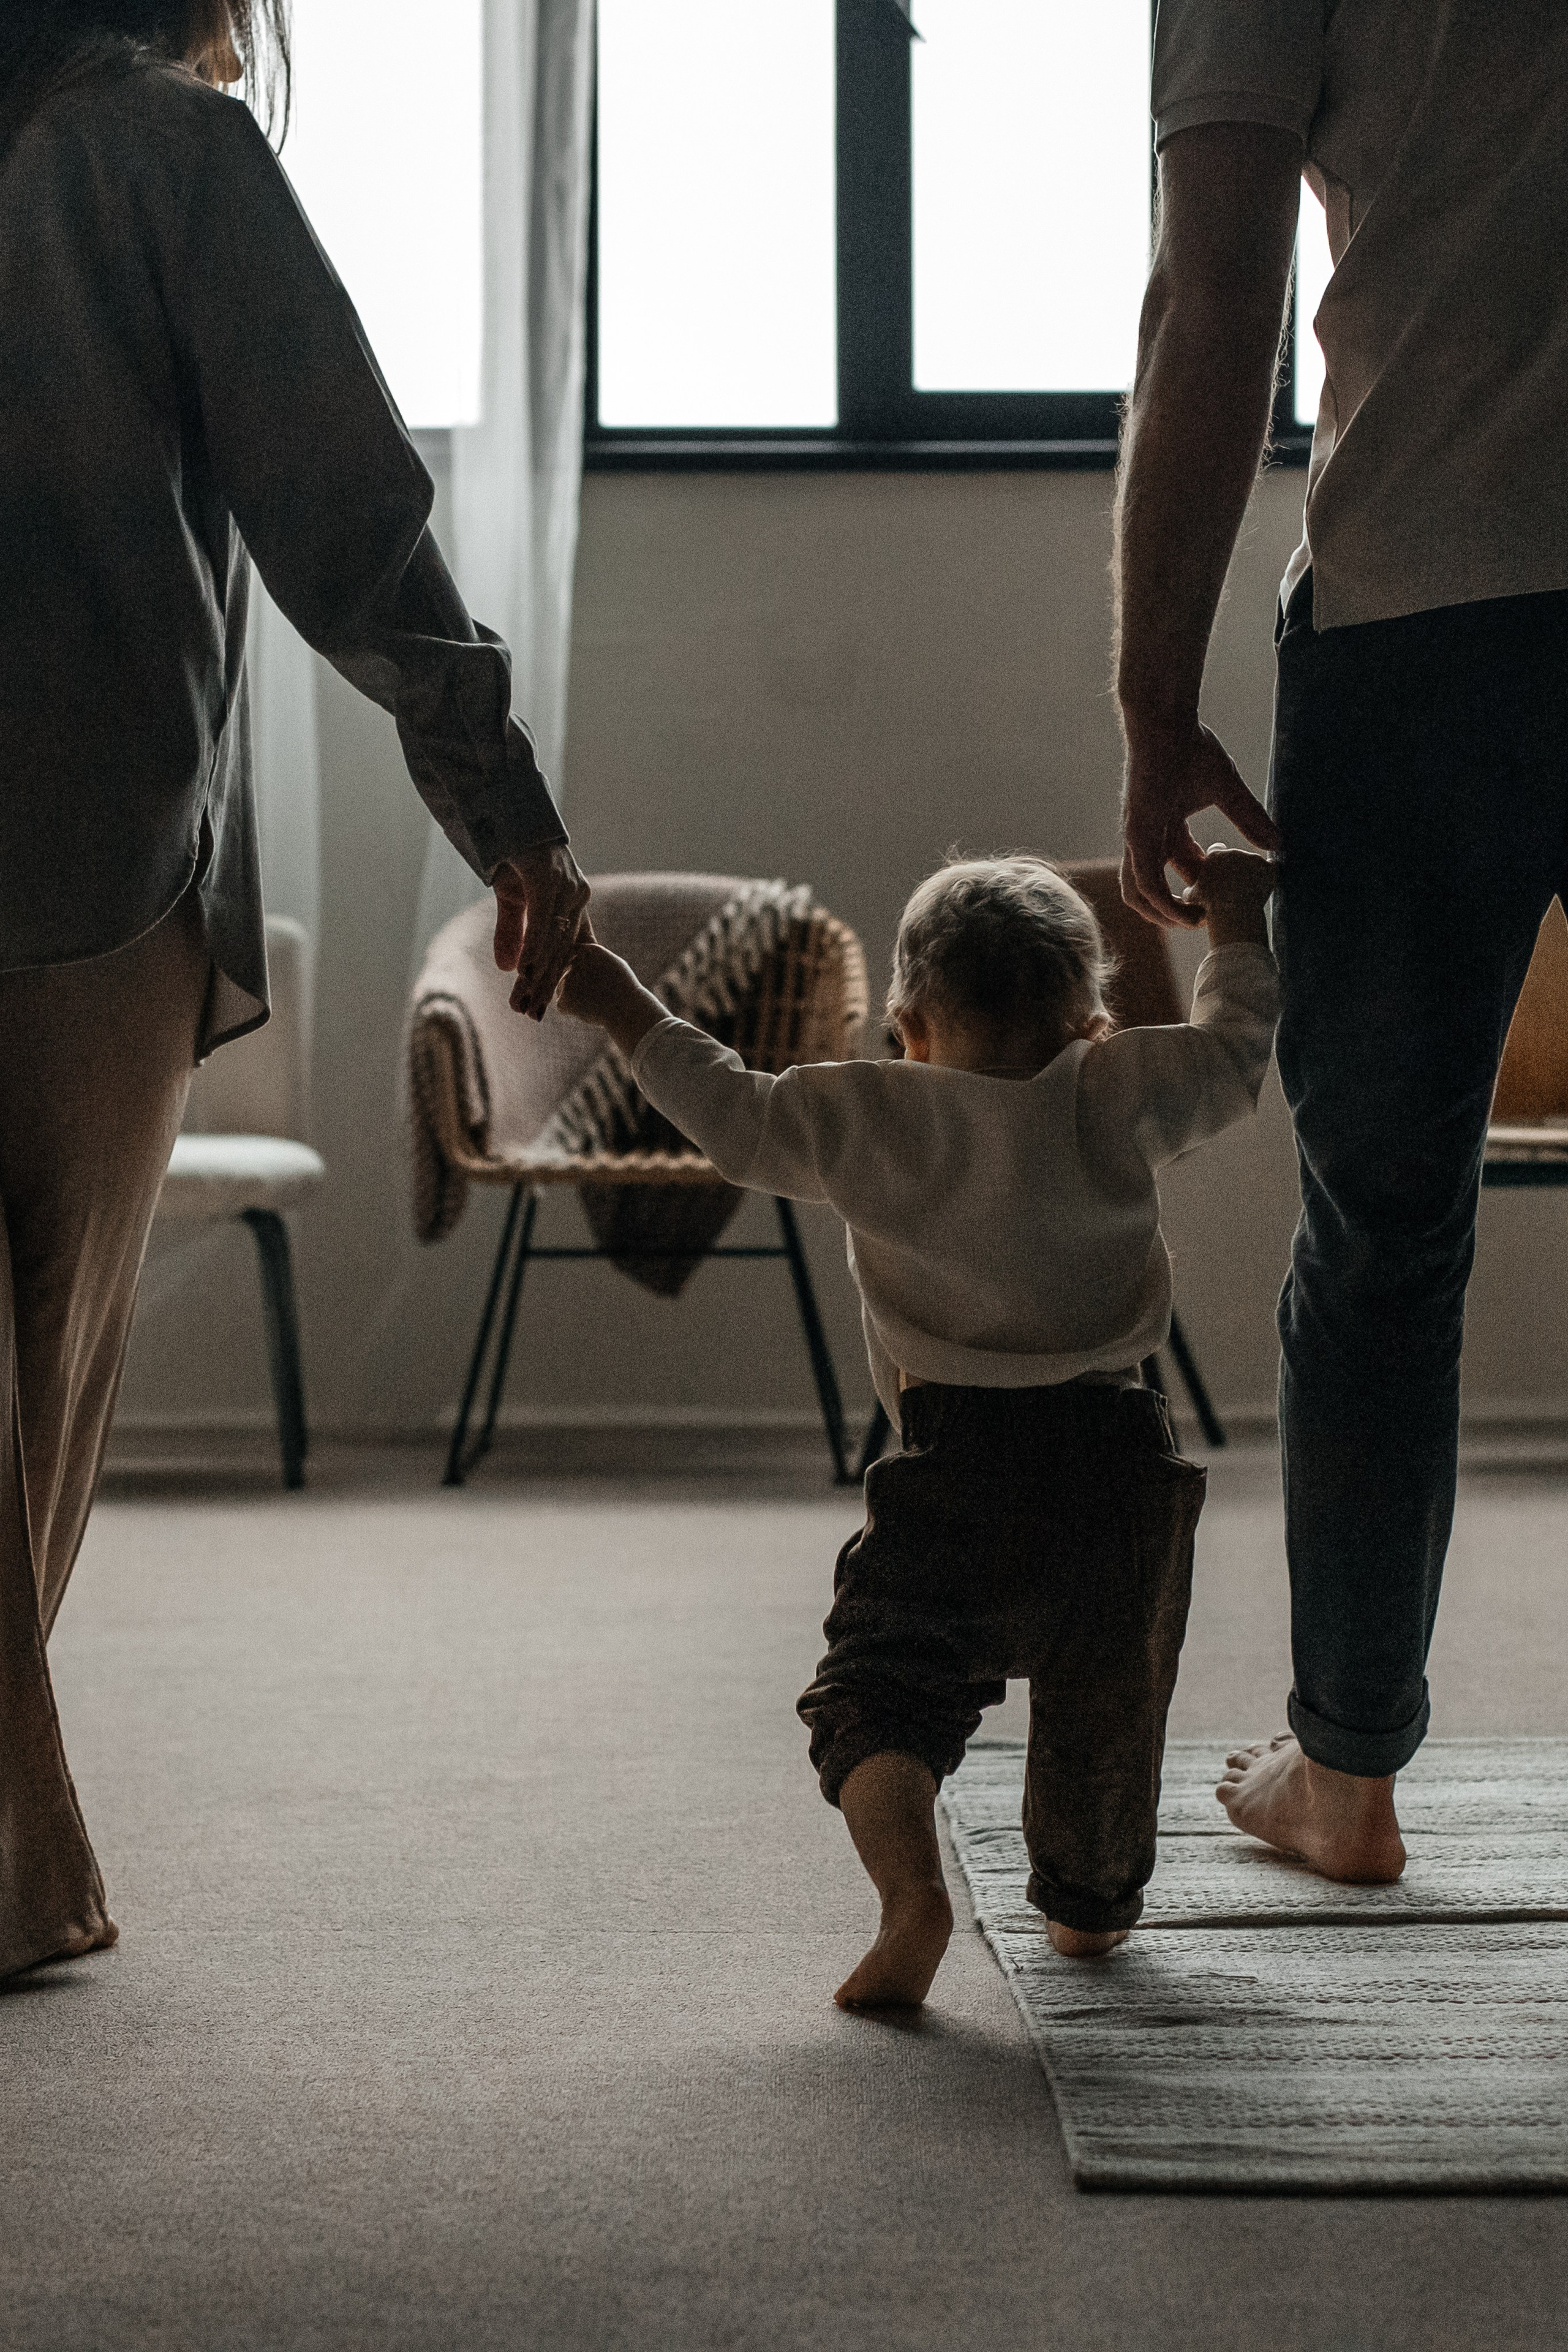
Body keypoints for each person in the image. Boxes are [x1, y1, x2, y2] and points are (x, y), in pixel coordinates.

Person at [0, 0, 589, 1979]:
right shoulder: (163, 152)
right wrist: (505, 811)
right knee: (41, 1391)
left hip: (86, 857)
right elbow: (348, 516)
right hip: (86, 863)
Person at [1114, 2, 1568, 1885]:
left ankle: (1349, 1772)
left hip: (1421, 616)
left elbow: (1217, 294)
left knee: (1384, 1224)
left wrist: (1154, 702)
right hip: (1418, 611)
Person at [556, 849, 1278, 2007]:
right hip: (1120, 1468)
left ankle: (911, 1898)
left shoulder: (867, 1108)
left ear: (908, 1027)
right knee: (1108, 1721)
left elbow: (729, 1111)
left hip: (954, 1469)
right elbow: (1237, 1051)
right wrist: (1236, 920)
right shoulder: (1117, 1085)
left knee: (874, 1695)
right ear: (1091, 1019)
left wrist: (623, 1006)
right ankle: (1088, 1911)